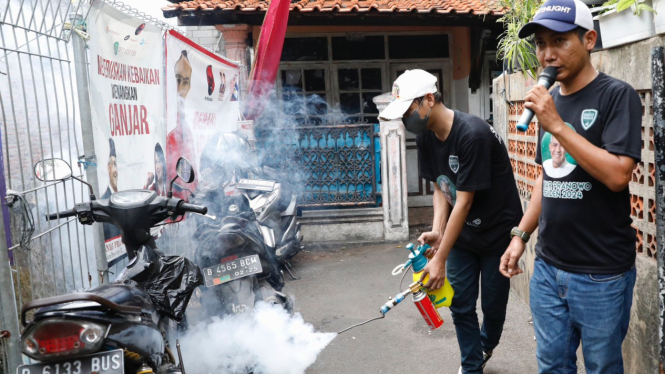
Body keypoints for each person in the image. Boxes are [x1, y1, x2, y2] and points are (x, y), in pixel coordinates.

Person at [499, 0, 642, 372]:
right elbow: (546, 178)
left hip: (601, 273)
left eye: (560, 41)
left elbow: (617, 175)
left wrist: (557, 125)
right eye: (541, 43)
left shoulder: (617, 96)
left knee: (601, 367)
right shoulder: (549, 103)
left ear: (589, 39)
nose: (548, 54)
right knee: (552, 366)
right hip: (548, 268)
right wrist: (520, 235)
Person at [379, 70, 522, 374]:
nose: (406, 120)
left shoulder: (473, 134)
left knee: (494, 307)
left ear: (428, 100)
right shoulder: (427, 136)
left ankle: (487, 344)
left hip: (498, 233)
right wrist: (437, 230)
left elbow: (465, 200)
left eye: (408, 111)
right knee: (461, 303)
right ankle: (472, 366)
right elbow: (442, 186)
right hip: (464, 235)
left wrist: (440, 256)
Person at [167, 50, 197, 200]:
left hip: (188, 200)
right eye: (177, 80)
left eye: (186, 82)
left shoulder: (187, 126)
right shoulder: (166, 125)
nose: (180, 88)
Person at [102, 138, 121, 241]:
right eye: (111, 165)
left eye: (115, 164)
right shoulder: (104, 200)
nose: (115, 170)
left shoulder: (123, 196)